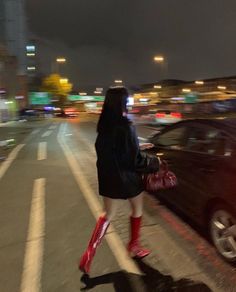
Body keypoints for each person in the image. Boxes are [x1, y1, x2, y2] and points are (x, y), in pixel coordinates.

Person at [79, 86, 160, 274]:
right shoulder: (127, 126)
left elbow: (112, 151)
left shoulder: (103, 126)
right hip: (129, 178)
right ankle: (133, 246)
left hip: (108, 177)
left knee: (107, 215)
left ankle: (89, 253)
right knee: (137, 210)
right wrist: (154, 162)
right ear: (123, 103)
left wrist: (137, 146)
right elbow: (135, 160)